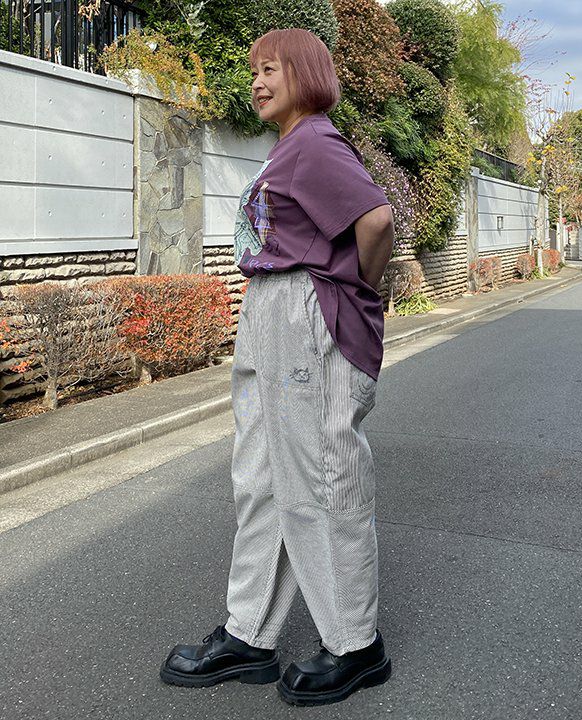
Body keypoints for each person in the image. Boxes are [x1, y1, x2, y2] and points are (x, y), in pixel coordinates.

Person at [160, 28, 394, 707]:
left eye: (272, 69)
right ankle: (249, 634)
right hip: (269, 309)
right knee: (261, 477)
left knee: (321, 474)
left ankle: (355, 643)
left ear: (307, 74)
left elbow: (376, 221)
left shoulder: (315, 141)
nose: (258, 82)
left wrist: (357, 292)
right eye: (254, 71)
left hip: (302, 310)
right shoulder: (290, 147)